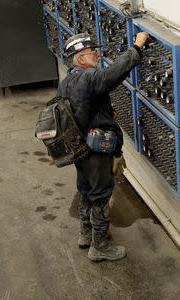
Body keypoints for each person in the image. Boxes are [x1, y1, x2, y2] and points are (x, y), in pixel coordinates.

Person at [57, 31, 150, 261]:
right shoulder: (88, 78)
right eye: (91, 52)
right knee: (101, 195)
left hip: (78, 150)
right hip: (95, 151)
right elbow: (113, 74)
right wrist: (136, 47)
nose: (97, 55)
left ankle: (85, 235)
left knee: (86, 190)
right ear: (80, 59)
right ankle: (100, 247)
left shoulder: (67, 81)